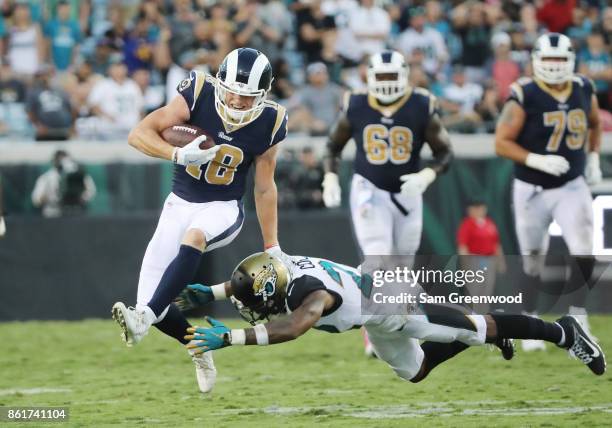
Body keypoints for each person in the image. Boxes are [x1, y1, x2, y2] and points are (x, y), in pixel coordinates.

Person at [111, 47, 290, 395]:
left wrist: (273, 246)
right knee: (156, 303)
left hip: (222, 208)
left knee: (192, 239)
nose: (238, 101)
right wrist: (176, 153)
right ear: (220, 83)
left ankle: (142, 318)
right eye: (233, 91)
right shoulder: (197, 90)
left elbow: (265, 187)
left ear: (263, 95)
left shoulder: (272, 120)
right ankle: (197, 346)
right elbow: (138, 134)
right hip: (178, 203)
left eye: (248, 95)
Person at [177, 252, 606, 386]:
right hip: (372, 314)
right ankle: (471, 337)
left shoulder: (310, 294)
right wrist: (216, 291)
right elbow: (254, 278)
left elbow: (293, 327)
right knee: (415, 371)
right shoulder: (281, 264)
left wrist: (231, 338)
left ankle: (563, 332)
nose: (250, 301)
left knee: (483, 327)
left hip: (398, 307)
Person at [321, 50, 452, 357]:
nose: (387, 83)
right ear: (369, 77)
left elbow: (445, 152)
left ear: (405, 75)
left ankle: (404, 328)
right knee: (378, 260)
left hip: (408, 192)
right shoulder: (356, 103)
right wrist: (329, 177)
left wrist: (429, 174)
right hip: (370, 189)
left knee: (403, 267)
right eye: (381, 76)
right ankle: (372, 331)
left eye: (393, 76)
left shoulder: (421, 104)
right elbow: (332, 146)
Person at [495, 33, 602, 352]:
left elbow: (595, 123)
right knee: (532, 261)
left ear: (570, 61)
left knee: (584, 248)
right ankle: (529, 319)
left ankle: (579, 318)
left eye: (560, 60)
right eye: (549, 60)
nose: (555, 67)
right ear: (536, 62)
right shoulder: (524, 93)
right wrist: (534, 158)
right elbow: (501, 142)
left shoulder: (583, 87)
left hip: (571, 184)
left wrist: (593, 155)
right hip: (532, 187)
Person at [457, 199, 505, 313]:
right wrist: (465, 264)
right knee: (473, 290)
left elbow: (496, 244)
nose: (479, 210)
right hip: (474, 260)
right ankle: (472, 317)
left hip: (490, 260)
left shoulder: (489, 223)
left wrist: (501, 261)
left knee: (487, 290)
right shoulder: (467, 224)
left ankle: (484, 317)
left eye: (481, 207)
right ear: (470, 210)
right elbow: (462, 246)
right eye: (476, 207)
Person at [31, 150, 97, 217]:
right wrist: (52, 198)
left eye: (65, 160)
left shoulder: (78, 175)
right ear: (54, 161)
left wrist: (80, 197)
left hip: (76, 211)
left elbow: (91, 191)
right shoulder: (46, 178)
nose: (62, 162)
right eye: (59, 160)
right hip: (53, 213)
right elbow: (36, 199)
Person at [26, 65, 74, 141]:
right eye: (42, 75)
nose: (45, 77)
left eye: (48, 75)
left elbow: (70, 109)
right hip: (44, 132)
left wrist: (72, 127)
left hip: (63, 130)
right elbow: (30, 112)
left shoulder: (61, 91)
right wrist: (37, 126)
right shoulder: (34, 92)